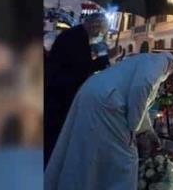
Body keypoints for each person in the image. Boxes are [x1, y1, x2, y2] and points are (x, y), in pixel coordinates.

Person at [45, 53, 173, 190]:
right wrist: (134, 129)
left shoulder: (141, 60)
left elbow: (140, 104)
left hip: (94, 93)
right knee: (126, 159)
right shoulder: (163, 61)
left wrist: (148, 131)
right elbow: (142, 86)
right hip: (106, 102)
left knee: (88, 152)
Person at [44, 12, 120, 165]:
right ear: (95, 26)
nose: (100, 35)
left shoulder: (76, 35)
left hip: (58, 92)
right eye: (101, 32)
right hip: (60, 96)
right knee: (52, 138)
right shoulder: (77, 39)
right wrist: (107, 57)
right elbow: (82, 69)